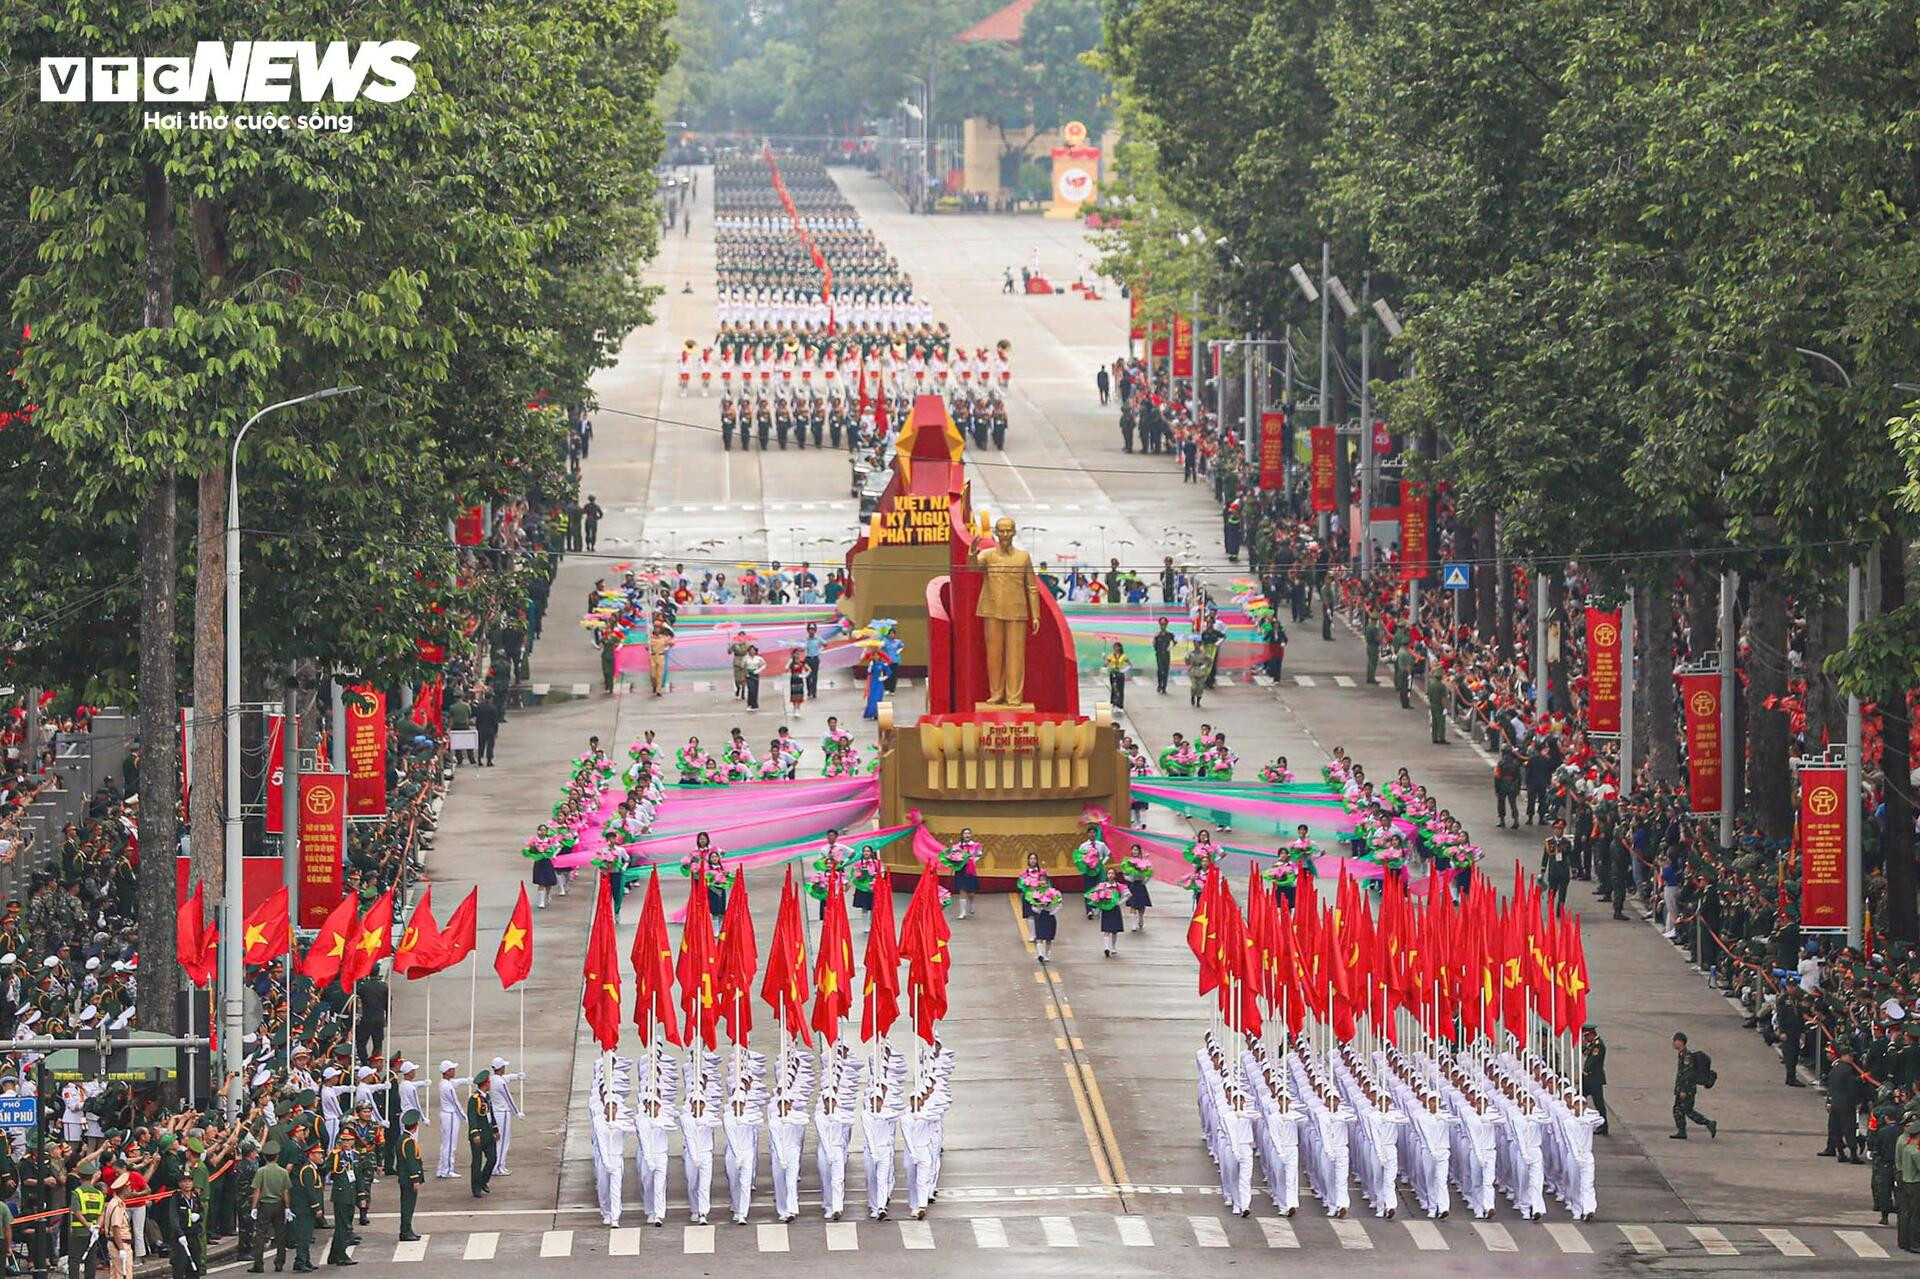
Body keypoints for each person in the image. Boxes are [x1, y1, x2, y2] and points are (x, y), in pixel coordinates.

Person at [246, 1142, 290, 1273]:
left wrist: (254, 1207)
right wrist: (287, 1207)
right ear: (277, 1156)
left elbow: (257, 1191)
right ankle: (279, 1263)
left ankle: (258, 1264)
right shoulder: (283, 1172)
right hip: (279, 1205)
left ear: (265, 1157)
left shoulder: (261, 1171)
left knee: (260, 1235)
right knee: (280, 1235)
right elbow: (286, 1191)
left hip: (265, 1206)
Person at [1670, 1032, 1717, 1139]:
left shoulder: (1687, 1056)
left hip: (1687, 1089)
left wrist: (1684, 1090)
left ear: (1680, 1042)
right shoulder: (1682, 1054)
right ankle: (1681, 1131)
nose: (1673, 1043)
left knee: (1688, 1111)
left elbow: (1688, 1074)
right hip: (1682, 1088)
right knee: (1678, 1110)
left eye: (1674, 1041)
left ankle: (1709, 1123)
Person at [324, 1133, 359, 1267]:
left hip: (351, 1194)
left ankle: (334, 1255)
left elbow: (359, 1175)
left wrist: (361, 1195)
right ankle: (341, 1255)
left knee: (345, 1225)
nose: (345, 1143)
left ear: (353, 1141)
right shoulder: (336, 1155)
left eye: (348, 1140)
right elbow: (327, 1169)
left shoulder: (355, 1155)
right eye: (343, 1140)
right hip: (340, 1194)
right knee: (342, 1226)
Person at [486, 1058, 526, 1176]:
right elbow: (509, 1098)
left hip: (496, 1112)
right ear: (501, 1068)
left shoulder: (493, 1079)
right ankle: (498, 1166)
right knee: (503, 1141)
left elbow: (506, 1078)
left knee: (499, 1141)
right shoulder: (501, 1083)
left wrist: (517, 1076)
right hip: (503, 1113)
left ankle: (498, 1165)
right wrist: (517, 1112)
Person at [289, 1146, 324, 1273]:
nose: (321, 1156)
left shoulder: (312, 1169)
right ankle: (300, 1261)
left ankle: (306, 1260)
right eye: (318, 1153)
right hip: (305, 1209)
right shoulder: (308, 1170)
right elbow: (310, 1191)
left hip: (307, 1209)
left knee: (308, 1236)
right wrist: (316, 1207)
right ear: (311, 1155)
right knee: (304, 1236)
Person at [466, 1070, 498, 1196]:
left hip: (488, 1133)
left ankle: (483, 1180)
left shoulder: (487, 1097)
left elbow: (491, 1115)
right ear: (485, 1083)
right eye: (489, 1082)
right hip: (479, 1134)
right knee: (477, 1162)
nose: (490, 1084)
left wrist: (495, 1129)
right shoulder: (474, 1099)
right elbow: (472, 1117)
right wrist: (475, 1134)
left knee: (492, 1159)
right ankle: (476, 1188)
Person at [394, 1112, 423, 1242]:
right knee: (408, 1206)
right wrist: (415, 1179)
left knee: (407, 1205)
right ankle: (405, 1231)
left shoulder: (402, 1139)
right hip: (408, 1179)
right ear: (415, 1126)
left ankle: (407, 1229)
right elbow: (411, 1161)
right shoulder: (409, 1141)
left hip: (404, 1177)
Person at [1896, 1110, 1920, 1254]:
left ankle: (1905, 1241)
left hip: (1906, 1179)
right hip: (1911, 1181)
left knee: (1908, 1212)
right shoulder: (1907, 1144)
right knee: (1912, 1214)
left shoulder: (1906, 1143)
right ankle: (1912, 1241)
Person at [434, 1062, 463, 1178]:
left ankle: (442, 1169)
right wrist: (464, 1116)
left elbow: (457, 1082)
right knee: (451, 1144)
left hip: (445, 1114)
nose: (454, 1071)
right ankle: (448, 1170)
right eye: (452, 1069)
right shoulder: (447, 1086)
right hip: (450, 1115)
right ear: (447, 1071)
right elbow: (456, 1103)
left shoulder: (444, 1083)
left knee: (445, 1143)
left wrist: (467, 1080)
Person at [1580, 1025, 1608, 1135]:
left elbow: (1592, 1061)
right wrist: (1583, 1047)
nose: (1585, 1039)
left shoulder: (1598, 1045)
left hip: (1594, 1079)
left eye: (1586, 1036)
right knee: (1578, 1097)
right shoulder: (1593, 1044)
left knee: (1599, 1103)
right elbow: (1586, 1053)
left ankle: (1604, 1126)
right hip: (1588, 1079)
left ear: (1591, 1034)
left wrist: (1583, 1074)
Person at [1541, 820, 1572, 906]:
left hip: (1564, 871)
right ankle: (1551, 906)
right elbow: (1545, 856)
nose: (1559, 831)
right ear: (1553, 830)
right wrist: (1543, 870)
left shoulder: (1567, 842)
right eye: (1557, 829)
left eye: (1561, 829)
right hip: (1553, 871)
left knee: (1562, 893)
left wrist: (1574, 869)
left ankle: (1560, 909)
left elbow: (1571, 856)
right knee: (1552, 890)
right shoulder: (1549, 842)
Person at [473, 693, 501, 767]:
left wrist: (477, 727)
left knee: (481, 745)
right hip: (490, 728)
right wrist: (496, 731)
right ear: (491, 698)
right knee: (490, 745)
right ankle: (489, 761)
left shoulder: (480, 707)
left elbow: (477, 719)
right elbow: (495, 721)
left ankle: (479, 759)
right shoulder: (493, 708)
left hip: (481, 728)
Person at [1152, 617, 1174, 694]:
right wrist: (1154, 641)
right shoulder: (1157, 635)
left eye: (1164, 624)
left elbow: (1174, 642)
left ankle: (1164, 686)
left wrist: (1170, 647)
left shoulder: (1170, 635)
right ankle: (1159, 684)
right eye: (1161, 624)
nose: (1163, 626)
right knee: (1160, 670)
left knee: (1166, 671)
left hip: (1166, 655)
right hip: (1159, 655)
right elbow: (1154, 646)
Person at [743, 644, 765, 711]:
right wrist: (746, 672)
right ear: (748, 651)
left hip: (755, 674)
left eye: (753, 650)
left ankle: (754, 705)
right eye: (750, 650)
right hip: (749, 675)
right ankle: (749, 704)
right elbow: (742, 666)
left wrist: (758, 671)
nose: (752, 651)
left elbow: (764, 665)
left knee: (755, 690)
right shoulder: (745, 658)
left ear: (755, 651)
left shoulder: (759, 658)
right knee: (751, 689)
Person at [787, 648, 808, 718]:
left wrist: (803, 675)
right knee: (794, 695)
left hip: (799, 680)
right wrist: (789, 662)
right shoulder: (791, 662)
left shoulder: (802, 662)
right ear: (793, 654)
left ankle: (798, 709)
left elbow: (809, 670)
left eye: (798, 654)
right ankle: (794, 708)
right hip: (793, 680)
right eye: (796, 654)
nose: (797, 655)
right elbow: (786, 668)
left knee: (799, 695)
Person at [1363, 614, 1381, 683]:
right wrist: (1380, 641)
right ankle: (1371, 678)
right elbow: (1377, 638)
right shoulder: (1374, 628)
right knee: (1373, 663)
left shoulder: (1368, 626)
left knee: (1370, 662)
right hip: (1373, 646)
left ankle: (1369, 677)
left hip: (1369, 645)